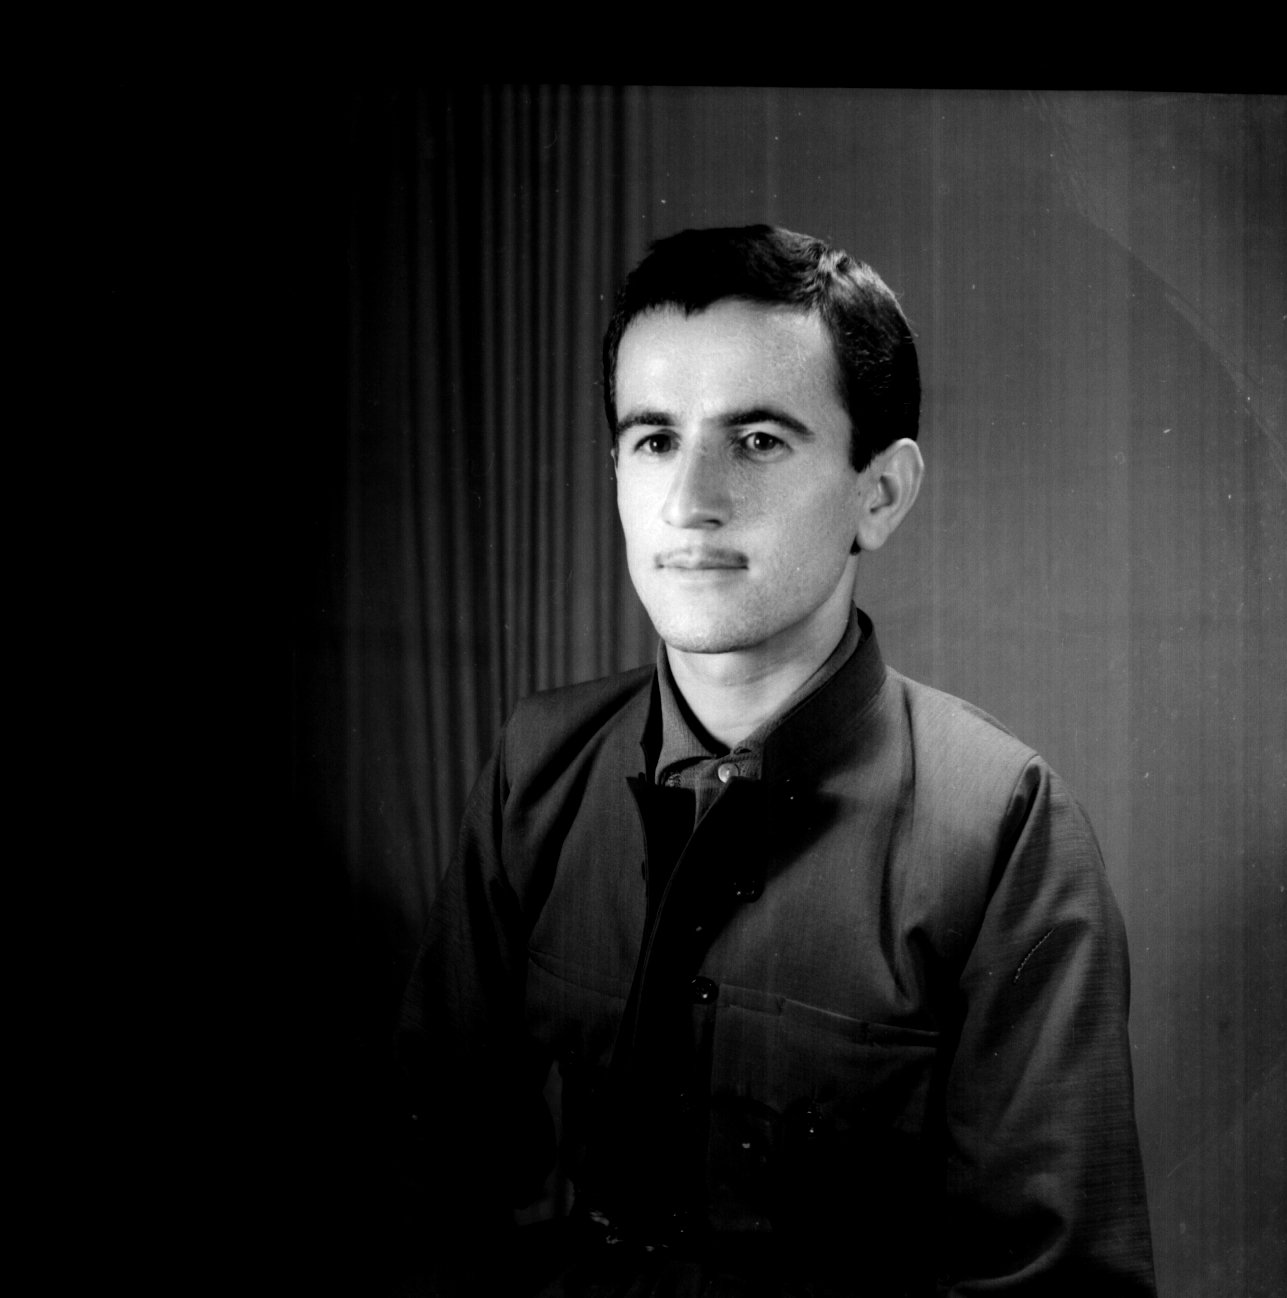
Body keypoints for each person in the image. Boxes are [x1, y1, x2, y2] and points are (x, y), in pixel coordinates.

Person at [395, 225, 1157, 1296]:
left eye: (756, 439)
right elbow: (434, 1181)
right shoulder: (538, 764)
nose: (688, 501)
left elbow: (1055, 1283)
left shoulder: (1005, 827)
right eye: (653, 439)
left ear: (878, 495)